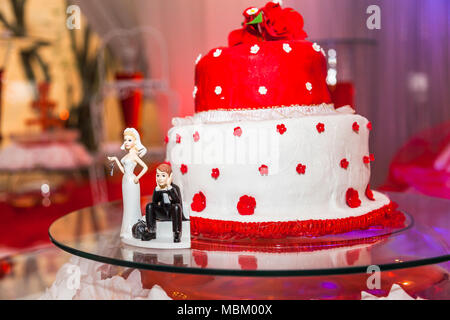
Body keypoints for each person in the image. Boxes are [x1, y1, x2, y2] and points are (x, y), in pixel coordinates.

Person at [107, 128, 148, 238]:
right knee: (127, 205)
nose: (126, 142)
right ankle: (127, 229)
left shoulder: (134, 155)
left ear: (135, 141)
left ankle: (133, 228)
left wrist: (137, 177)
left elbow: (145, 167)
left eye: (129, 140)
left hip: (132, 181)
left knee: (132, 204)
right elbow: (123, 170)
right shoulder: (126, 156)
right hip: (125, 179)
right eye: (125, 140)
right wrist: (115, 160)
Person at [143, 163, 186, 242]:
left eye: (163, 176)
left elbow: (177, 202)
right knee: (149, 206)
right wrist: (157, 190)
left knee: (176, 206)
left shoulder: (175, 188)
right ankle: (151, 231)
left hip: (173, 214)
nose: (160, 178)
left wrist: (169, 189)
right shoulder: (158, 188)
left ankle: (177, 233)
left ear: (170, 177)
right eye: (158, 175)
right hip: (163, 213)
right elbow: (154, 203)